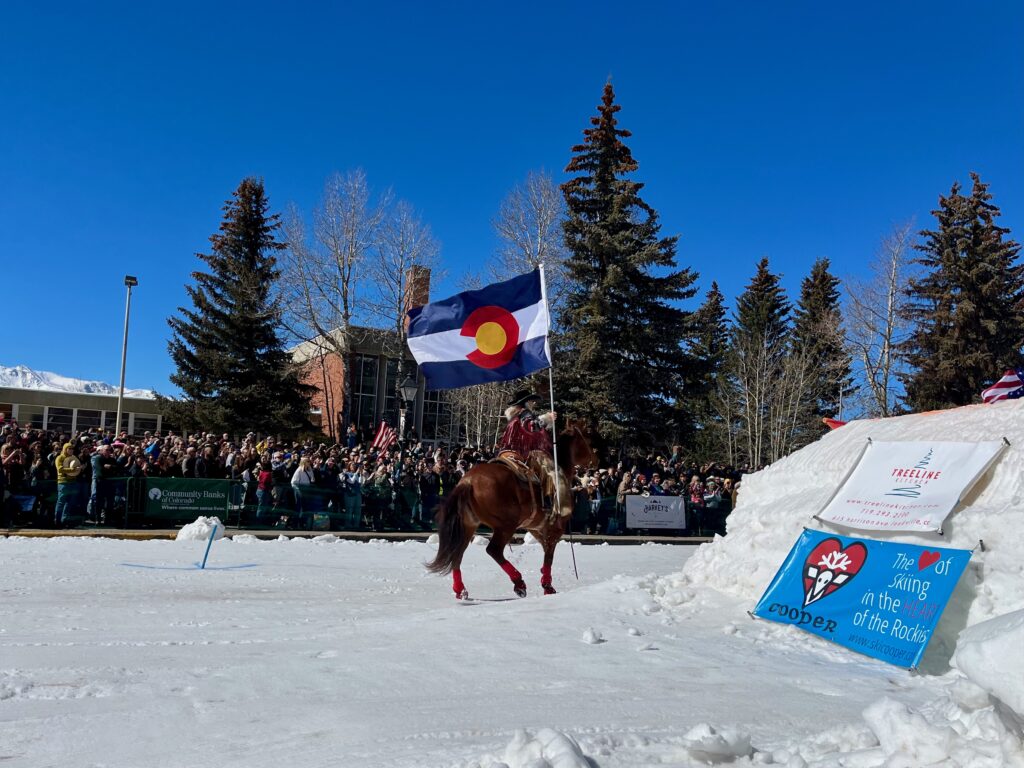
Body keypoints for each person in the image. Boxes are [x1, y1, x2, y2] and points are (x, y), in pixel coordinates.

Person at [496, 390, 568, 516]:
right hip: (523, 452)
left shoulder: (515, 416)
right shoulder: (526, 413)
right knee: (549, 472)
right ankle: (547, 503)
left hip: (506, 451)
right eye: (531, 401)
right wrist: (546, 419)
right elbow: (531, 427)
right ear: (525, 402)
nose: (533, 403)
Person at [54, 442, 82, 527]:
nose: (71, 450)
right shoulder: (60, 458)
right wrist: (73, 469)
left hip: (73, 482)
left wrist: (79, 469)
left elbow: (77, 468)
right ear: (65, 449)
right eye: (69, 448)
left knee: (69, 502)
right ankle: (57, 521)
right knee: (61, 502)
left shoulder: (74, 458)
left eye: (72, 448)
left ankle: (64, 520)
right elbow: (60, 469)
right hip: (63, 482)